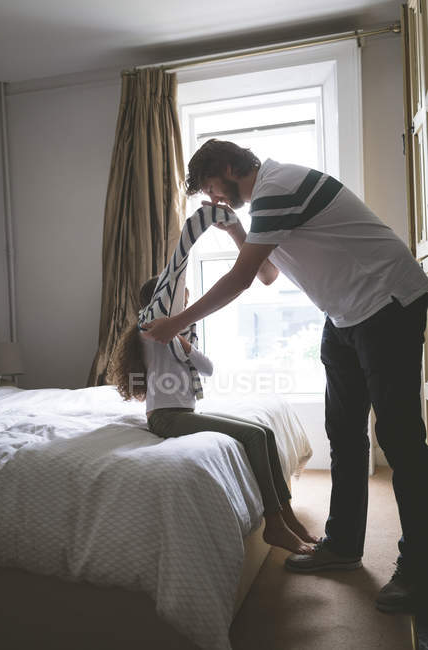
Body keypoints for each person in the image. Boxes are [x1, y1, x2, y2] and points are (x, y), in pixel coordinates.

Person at [141, 138, 428, 614]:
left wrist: (174, 322)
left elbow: (240, 279)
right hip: (346, 316)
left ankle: (419, 570)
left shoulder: (278, 186)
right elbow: (268, 275)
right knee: (344, 432)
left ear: (232, 168)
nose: (213, 200)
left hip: (388, 303)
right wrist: (235, 232)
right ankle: (342, 545)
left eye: (213, 188)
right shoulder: (269, 201)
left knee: (399, 438)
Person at [109, 274, 318, 556]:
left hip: (183, 412)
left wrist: (185, 343)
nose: (187, 302)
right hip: (165, 417)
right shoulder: (149, 331)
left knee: (264, 431)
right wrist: (176, 334)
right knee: (254, 436)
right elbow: (162, 335)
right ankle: (275, 523)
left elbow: (207, 369)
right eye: (181, 297)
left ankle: (287, 515)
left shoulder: (177, 333)